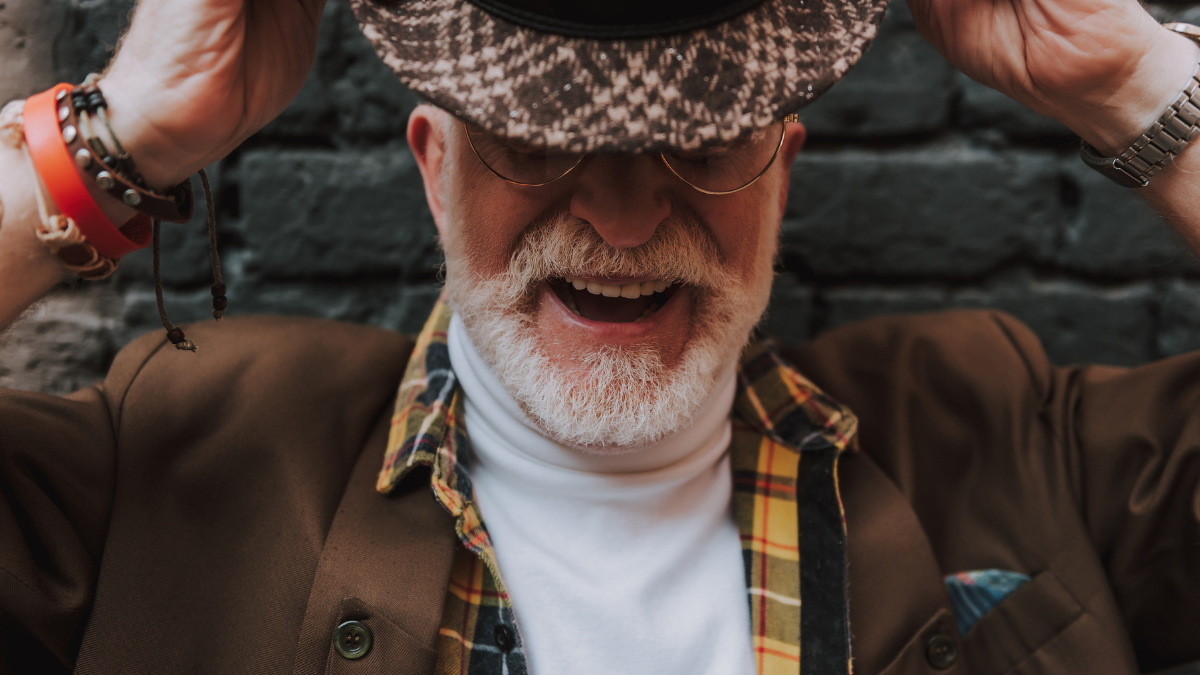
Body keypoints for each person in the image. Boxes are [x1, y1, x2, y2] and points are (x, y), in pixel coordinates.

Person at [0, 0, 1198, 673]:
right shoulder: (178, 446)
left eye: (710, 142)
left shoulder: (1010, 432)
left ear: (781, 174)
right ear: (434, 169)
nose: (622, 215)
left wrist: (1125, 77)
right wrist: (124, 134)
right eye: (536, 139)